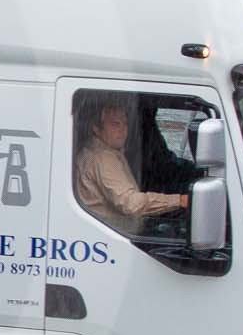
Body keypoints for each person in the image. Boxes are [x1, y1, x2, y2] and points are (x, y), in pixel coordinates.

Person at [74, 98, 188, 235]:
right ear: (96, 129)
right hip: (115, 237)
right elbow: (131, 203)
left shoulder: (103, 150)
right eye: (115, 124)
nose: (123, 130)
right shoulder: (102, 157)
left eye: (125, 124)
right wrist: (180, 200)